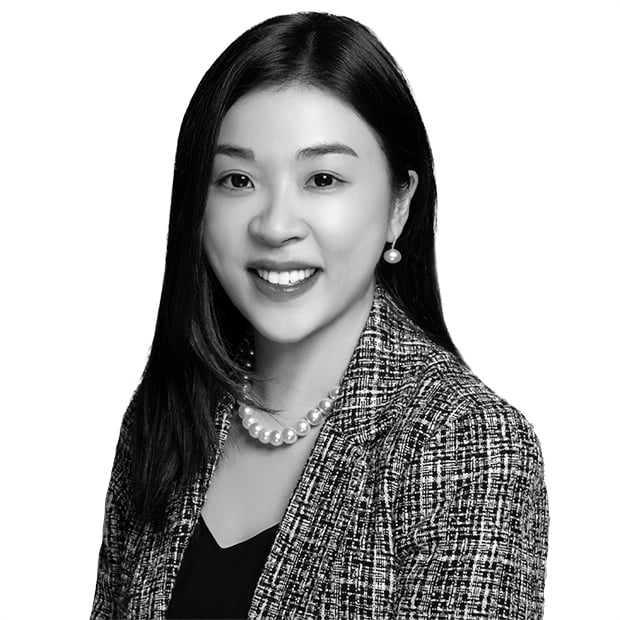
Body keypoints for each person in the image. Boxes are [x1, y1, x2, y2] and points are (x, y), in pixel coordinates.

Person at [91, 11, 549, 620]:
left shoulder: (467, 444)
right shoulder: (170, 414)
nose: (275, 225)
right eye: (237, 179)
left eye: (323, 178)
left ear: (400, 204)